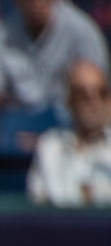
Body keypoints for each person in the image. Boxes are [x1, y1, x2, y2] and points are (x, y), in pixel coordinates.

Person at [0, 0, 110, 110]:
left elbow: (101, 90)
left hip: (68, 116)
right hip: (20, 115)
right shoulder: (3, 33)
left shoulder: (81, 31)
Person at [27, 58, 111, 204]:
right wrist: (84, 195)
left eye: (101, 93)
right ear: (69, 101)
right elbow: (38, 199)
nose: (94, 103)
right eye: (84, 95)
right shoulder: (50, 145)